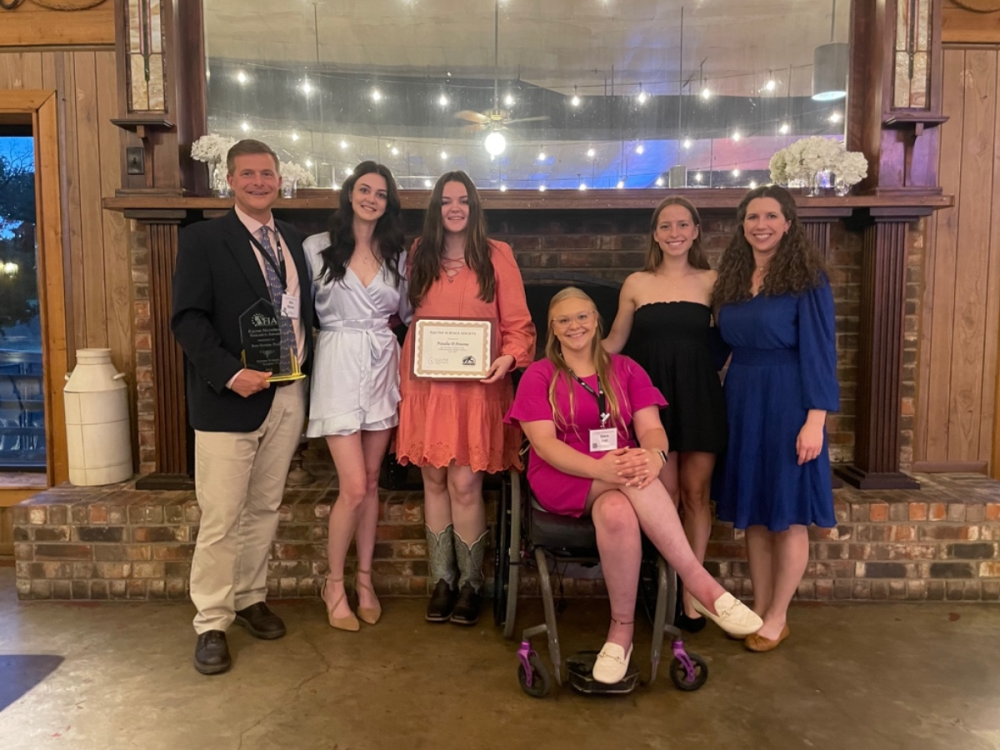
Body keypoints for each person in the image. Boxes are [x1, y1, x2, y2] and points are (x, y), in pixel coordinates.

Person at [505, 287, 762, 684]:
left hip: (624, 474)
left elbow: (653, 431)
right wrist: (603, 470)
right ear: (553, 329)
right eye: (564, 319)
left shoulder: (626, 369)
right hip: (562, 475)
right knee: (631, 478)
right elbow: (544, 444)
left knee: (618, 509)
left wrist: (655, 456)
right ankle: (701, 584)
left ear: (596, 321)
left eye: (583, 316)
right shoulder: (540, 374)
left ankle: (620, 633)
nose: (575, 326)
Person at [171, 139, 313, 675]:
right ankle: (211, 620)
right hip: (229, 399)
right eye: (248, 174)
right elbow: (187, 319)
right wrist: (230, 373)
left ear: (280, 180)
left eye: (267, 174)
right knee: (222, 515)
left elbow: (301, 314)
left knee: (265, 508)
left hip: (287, 392)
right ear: (228, 180)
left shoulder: (294, 241)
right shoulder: (203, 239)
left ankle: (252, 597)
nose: (259, 182)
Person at [396, 171, 536, 626]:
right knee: (433, 481)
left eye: (463, 201)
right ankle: (443, 580)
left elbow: (519, 326)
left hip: (478, 387)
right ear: (435, 208)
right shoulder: (418, 252)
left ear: (474, 208)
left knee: (465, 483)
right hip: (427, 386)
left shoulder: (498, 255)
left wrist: (510, 359)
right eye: (445, 201)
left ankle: (473, 583)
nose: (454, 208)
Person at [712, 185, 839, 652]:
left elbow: (822, 353)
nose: (760, 225)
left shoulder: (807, 278)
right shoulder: (733, 277)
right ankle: (761, 610)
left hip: (789, 401)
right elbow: (718, 345)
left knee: (788, 516)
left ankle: (779, 614)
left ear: (788, 222)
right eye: (751, 217)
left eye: (770, 216)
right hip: (742, 398)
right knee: (757, 517)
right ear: (742, 225)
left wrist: (815, 420)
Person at [603, 196, 726, 632]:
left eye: (682, 225)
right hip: (652, 405)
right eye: (665, 226)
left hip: (699, 397)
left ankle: (693, 597)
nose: (674, 233)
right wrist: (563, 362)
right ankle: (667, 585)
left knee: (696, 495)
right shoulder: (636, 282)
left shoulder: (714, 281)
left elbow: (728, 343)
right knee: (666, 496)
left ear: (695, 230)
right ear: (655, 234)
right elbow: (615, 341)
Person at [303, 162, 412, 632]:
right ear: (350, 193)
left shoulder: (397, 254)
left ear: (389, 203)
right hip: (337, 361)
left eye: (381, 193)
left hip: (382, 361)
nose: (372, 198)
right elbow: (298, 311)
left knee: (371, 480)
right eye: (364, 189)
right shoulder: (315, 248)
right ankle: (333, 582)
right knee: (352, 485)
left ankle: (365, 580)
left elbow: (406, 313)